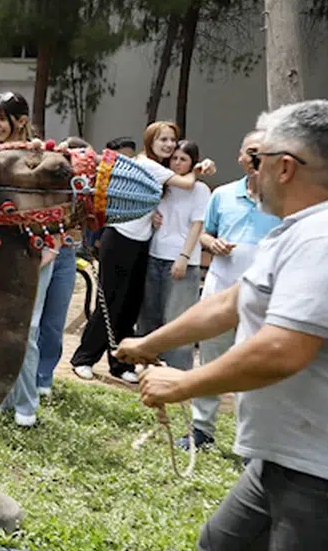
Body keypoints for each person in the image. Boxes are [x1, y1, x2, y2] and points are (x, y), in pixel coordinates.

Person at [116, 100, 328, 551]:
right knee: (225, 550)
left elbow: (283, 349)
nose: (248, 166)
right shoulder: (299, 233)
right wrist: (149, 344)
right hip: (293, 460)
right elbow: (230, 305)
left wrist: (181, 383)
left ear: (285, 167)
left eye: (257, 156)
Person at [71, 121, 214, 383]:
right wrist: (197, 168)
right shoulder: (147, 164)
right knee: (110, 303)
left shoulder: (160, 170)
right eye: (163, 140)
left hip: (142, 242)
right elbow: (185, 182)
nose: (169, 145)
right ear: (150, 142)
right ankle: (84, 358)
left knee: (129, 306)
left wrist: (154, 218)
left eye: (172, 140)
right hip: (120, 239)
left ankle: (121, 364)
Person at [178, 126, 281, 450]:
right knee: (210, 360)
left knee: (256, 367)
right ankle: (201, 430)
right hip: (220, 292)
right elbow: (205, 233)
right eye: (250, 151)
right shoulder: (222, 195)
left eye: (263, 152)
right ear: (240, 157)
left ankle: (254, 441)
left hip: (265, 299)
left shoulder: (285, 200)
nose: (255, 158)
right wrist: (213, 243)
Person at [0, 92, 56, 427]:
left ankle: (26, 404)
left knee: (26, 328)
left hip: (35, 251)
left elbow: (54, 208)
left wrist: (48, 249)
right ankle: (3, 396)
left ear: (21, 121)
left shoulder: (38, 156)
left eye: (1, 118)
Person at [137, 139, 211, 370]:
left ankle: (177, 369)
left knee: (177, 317)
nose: (178, 163)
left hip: (182, 260)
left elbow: (197, 226)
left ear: (193, 162)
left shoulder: (200, 189)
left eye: (183, 159)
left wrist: (184, 257)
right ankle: (146, 362)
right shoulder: (163, 185)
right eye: (175, 158)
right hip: (154, 254)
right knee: (149, 313)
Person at [35, 136, 91, 400]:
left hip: (65, 257)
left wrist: (73, 235)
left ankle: (44, 375)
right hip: (40, 254)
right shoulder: (39, 187)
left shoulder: (82, 194)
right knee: (32, 322)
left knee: (54, 322)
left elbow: (82, 231)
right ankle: (24, 377)